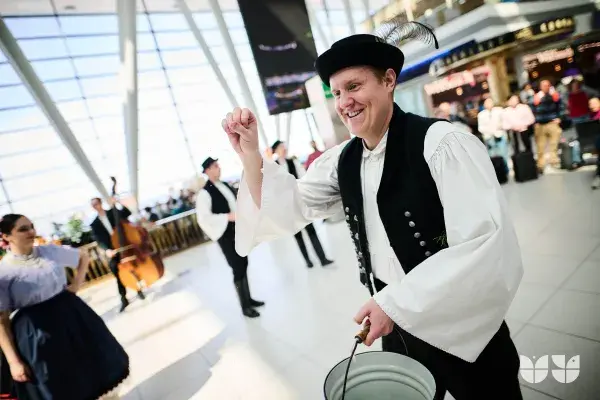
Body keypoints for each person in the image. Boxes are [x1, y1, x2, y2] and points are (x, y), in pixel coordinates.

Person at [222, 21, 523, 400]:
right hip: (395, 324)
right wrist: (250, 153)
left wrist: (395, 304)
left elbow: (485, 243)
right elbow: (291, 207)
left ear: (389, 80)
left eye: (354, 86)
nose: (343, 102)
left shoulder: (442, 143)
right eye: (336, 92)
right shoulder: (343, 161)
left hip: (462, 323)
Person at [0, 214, 129, 399]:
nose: (31, 232)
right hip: (37, 334)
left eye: (31, 226)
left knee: (94, 369)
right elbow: (2, 321)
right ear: (6, 236)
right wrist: (14, 362)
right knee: (61, 383)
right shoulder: (3, 272)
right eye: (23, 229)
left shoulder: (49, 251)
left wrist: (76, 284)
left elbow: (83, 256)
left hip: (72, 317)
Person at [195, 157, 264, 318]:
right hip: (225, 235)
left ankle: (249, 299)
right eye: (215, 166)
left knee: (244, 263)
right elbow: (204, 218)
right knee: (237, 268)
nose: (219, 168)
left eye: (218, 165)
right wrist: (227, 217)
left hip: (238, 231)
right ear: (207, 171)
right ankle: (245, 306)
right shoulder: (204, 193)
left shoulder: (224, 185)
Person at [272, 140, 334, 269]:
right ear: (276, 150)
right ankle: (307, 261)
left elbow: (303, 178)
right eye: (281, 147)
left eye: (284, 146)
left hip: (300, 203)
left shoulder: (293, 162)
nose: (284, 149)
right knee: (298, 236)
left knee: (311, 231)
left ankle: (323, 259)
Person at [90, 196, 145, 312]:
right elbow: (99, 240)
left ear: (101, 203)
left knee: (132, 270)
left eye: (97, 203)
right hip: (113, 251)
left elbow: (127, 213)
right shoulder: (94, 224)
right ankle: (124, 298)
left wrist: (118, 202)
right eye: (93, 205)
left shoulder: (113, 213)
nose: (96, 206)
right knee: (117, 272)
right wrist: (106, 250)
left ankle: (138, 290)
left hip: (124, 245)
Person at [530, 79, 565, 173]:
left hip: (552, 122)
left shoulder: (554, 95)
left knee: (554, 144)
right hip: (540, 124)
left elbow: (561, 106)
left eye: (547, 85)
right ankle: (540, 165)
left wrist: (559, 118)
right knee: (540, 146)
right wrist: (535, 121)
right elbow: (532, 109)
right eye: (543, 85)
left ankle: (554, 161)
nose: (545, 87)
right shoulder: (536, 97)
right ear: (540, 87)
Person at [477, 98, 510, 170]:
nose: (489, 104)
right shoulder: (481, 115)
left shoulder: (500, 110)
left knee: (503, 153)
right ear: (484, 105)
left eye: (490, 102)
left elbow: (505, 122)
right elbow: (480, 128)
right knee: (492, 156)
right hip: (489, 137)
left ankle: (506, 170)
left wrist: (499, 126)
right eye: (487, 103)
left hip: (499, 135)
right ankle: (497, 172)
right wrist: (490, 130)